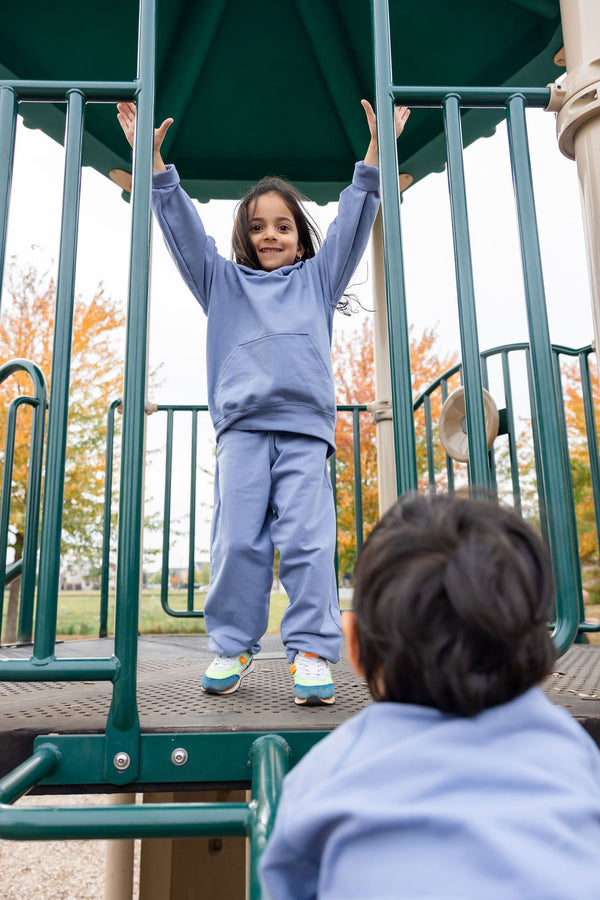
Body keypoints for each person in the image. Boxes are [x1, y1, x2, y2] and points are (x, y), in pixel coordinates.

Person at [116, 99, 410, 706]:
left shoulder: (317, 280)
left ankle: (308, 651)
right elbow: (182, 235)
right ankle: (234, 642)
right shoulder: (221, 281)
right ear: (242, 239)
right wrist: (155, 167)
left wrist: (377, 153)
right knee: (238, 540)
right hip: (244, 432)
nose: (270, 234)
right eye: (257, 226)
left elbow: (357, 218)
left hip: (304, 430)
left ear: (301, 236)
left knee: (308, 539)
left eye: (282, 225)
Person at [260, 492, 600, 898]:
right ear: (537, 644)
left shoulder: (325, 773)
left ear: (354, 648)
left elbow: (286, 884)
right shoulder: (572, 751)